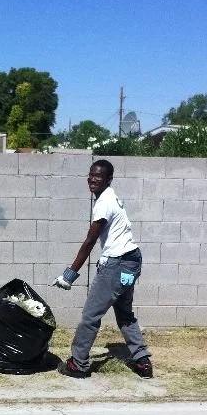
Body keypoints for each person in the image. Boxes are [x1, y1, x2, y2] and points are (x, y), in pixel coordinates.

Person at [52, 159, 153, 379]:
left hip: (117, 265)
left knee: (90, 315)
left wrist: (69, 276)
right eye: (91, 174)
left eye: (99, 176)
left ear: (108, 179)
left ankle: (78, 364)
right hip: (131, 262)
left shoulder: (104, 202)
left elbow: (90, 241)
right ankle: (143, 362)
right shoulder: (112, 197)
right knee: (125, 314)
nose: (93, 179)